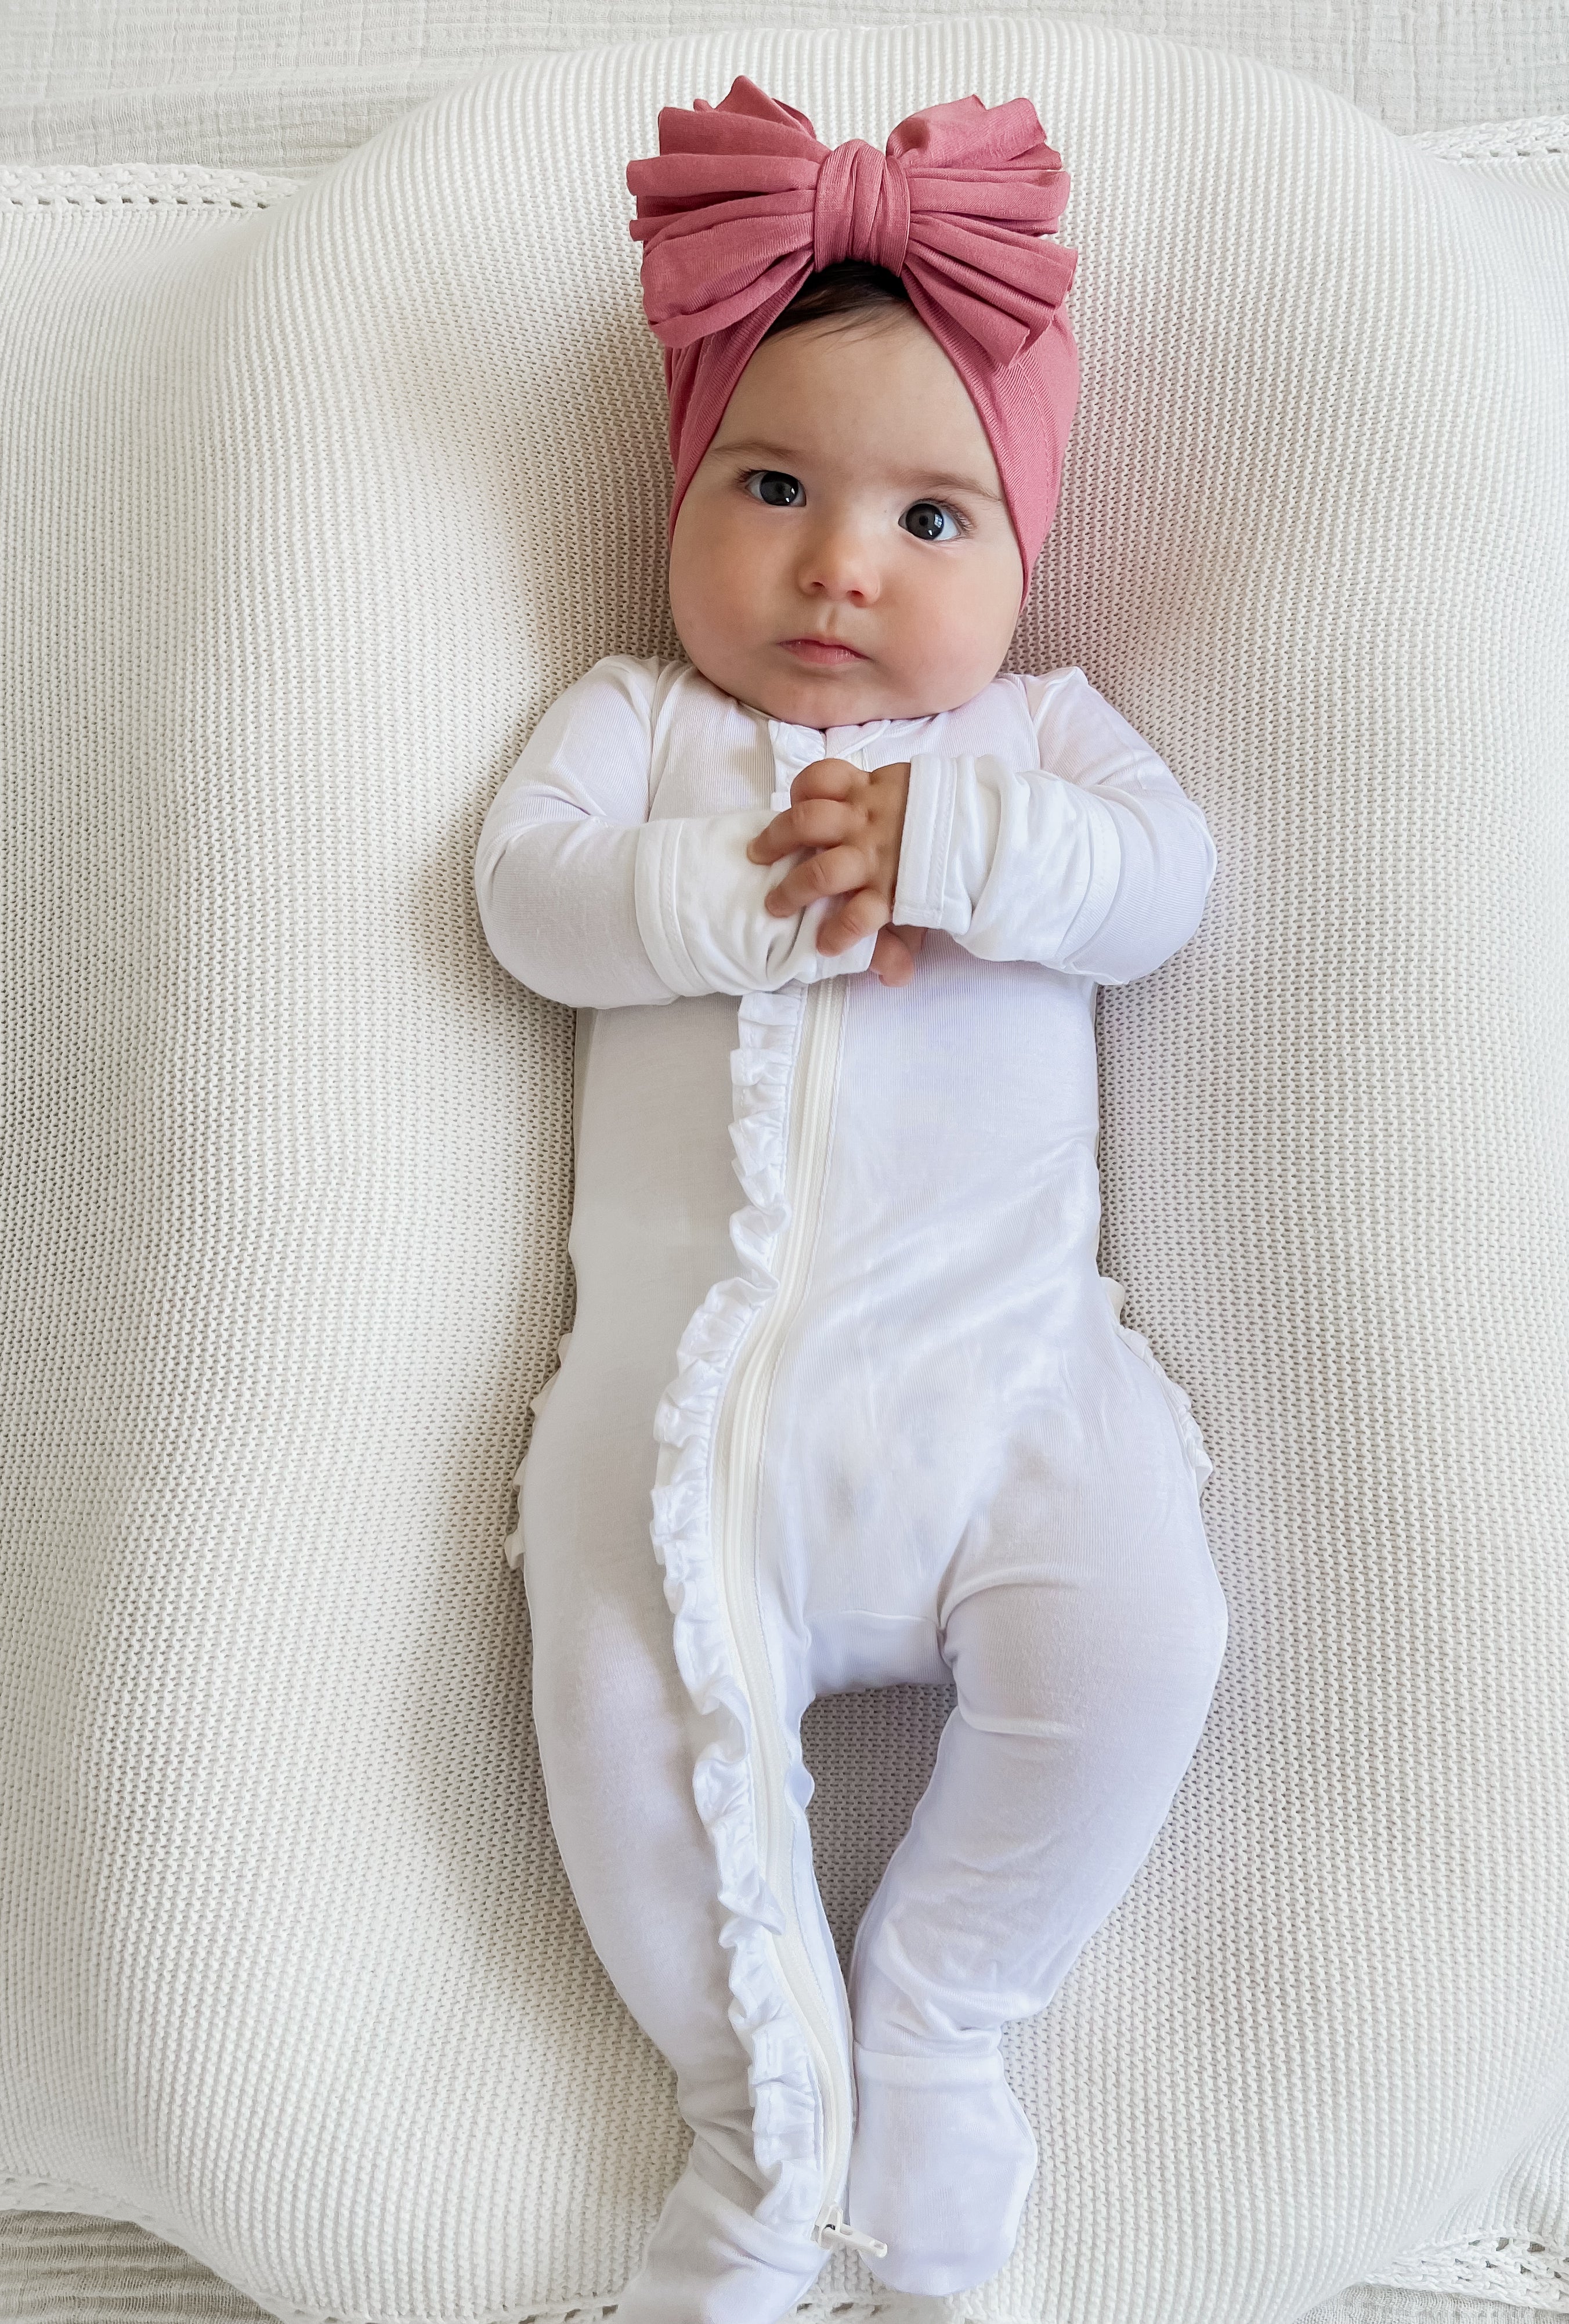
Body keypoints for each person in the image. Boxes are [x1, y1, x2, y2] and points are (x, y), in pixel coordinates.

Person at [473, 74, 1229, 2324]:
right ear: (680, 495)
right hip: (685, 1433)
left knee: (1144, 1636)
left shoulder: (1038, 745)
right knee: (613, 1698)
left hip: (1007, 1388)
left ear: (1022, 556)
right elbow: (525, 899)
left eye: (932, 516)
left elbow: (1162, 889)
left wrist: (957, 852)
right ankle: (752, 2129)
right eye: (774, 486)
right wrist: (747, 892)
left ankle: (940, 2020)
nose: (839, 566)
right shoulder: (636, 728)